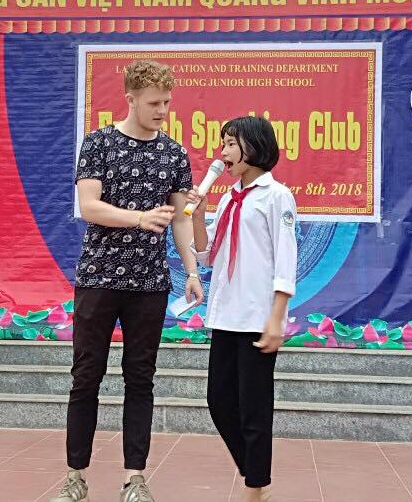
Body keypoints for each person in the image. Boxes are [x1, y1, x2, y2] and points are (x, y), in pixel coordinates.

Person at [52, 60, 201, 502]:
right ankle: (75, 476)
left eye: (167, 103)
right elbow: (89, 206)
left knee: (141, 378)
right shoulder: (98, 143)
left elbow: (180, 218)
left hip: (150, 282)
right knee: (86, 375)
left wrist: (192, 271)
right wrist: (138, 218)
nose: (162, 111)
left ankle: (135, 478)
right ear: (131, 99)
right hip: (98, 276)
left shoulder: (174, 153)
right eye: (154, 103)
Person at [187, 116, 296, 502]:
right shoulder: (229, 199)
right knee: (218, 401)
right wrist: (198, 215)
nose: (223, 152)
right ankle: (255, 473)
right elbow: (207, 254)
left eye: (231, 144)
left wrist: (276, 318)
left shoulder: (276, 196)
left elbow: (285, 260)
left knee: (254, 408)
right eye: (223, 144)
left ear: (255, 146)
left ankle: (254, 488)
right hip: (225, 316)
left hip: (256, 317)